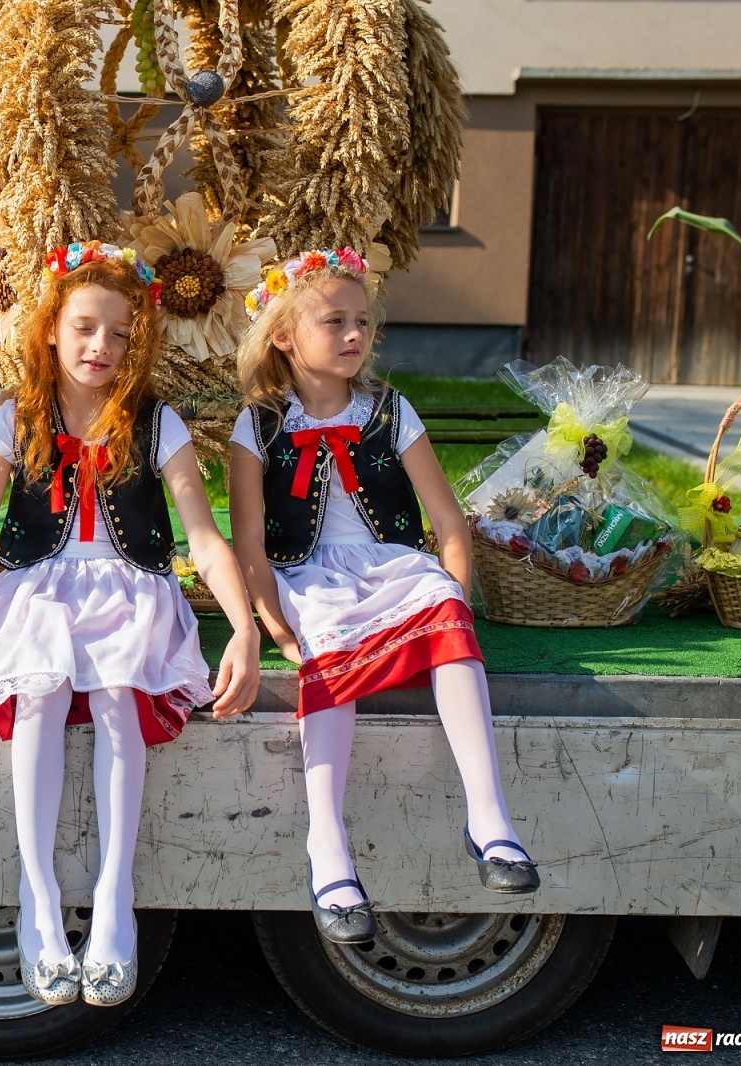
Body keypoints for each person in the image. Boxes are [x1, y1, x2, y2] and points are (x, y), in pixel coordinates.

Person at [0, 242, 260, 1008]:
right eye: (83, 327)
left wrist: (243, 629)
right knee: (39, 687)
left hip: (129, 587)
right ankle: (37, 897)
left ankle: (114, 901)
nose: (100, 345)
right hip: (39, 587)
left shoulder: (156, 422)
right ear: (50, 328)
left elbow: (203, 538)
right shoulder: (15, 418)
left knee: (117, 693)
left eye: (117, 333)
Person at [228, 249, 539, 946]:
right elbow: (248, 538)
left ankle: (489, 817)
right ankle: (327, 842)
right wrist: (276, 624)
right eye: (334, 321)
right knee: (327, 645)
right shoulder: (260, 423)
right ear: (284, 336)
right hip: (309, 575)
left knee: (444, 615)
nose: (354, 334)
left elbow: (447, 520)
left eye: (362, 321)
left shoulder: (390, 411)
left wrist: (453, 595)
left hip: (393, 565)